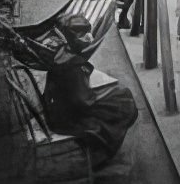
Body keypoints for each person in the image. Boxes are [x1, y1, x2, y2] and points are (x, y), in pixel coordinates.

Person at [42, 14, 139, 168]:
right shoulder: (70, 64)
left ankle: (102, 148)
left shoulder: (62, 53)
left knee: (120, 97)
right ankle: (102, 153)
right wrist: (102, 95)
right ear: (73, 38)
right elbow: (84, 102)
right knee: (124, 103)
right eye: (83, 35)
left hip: (60, 108)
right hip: (66, 118)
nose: (88, 38)